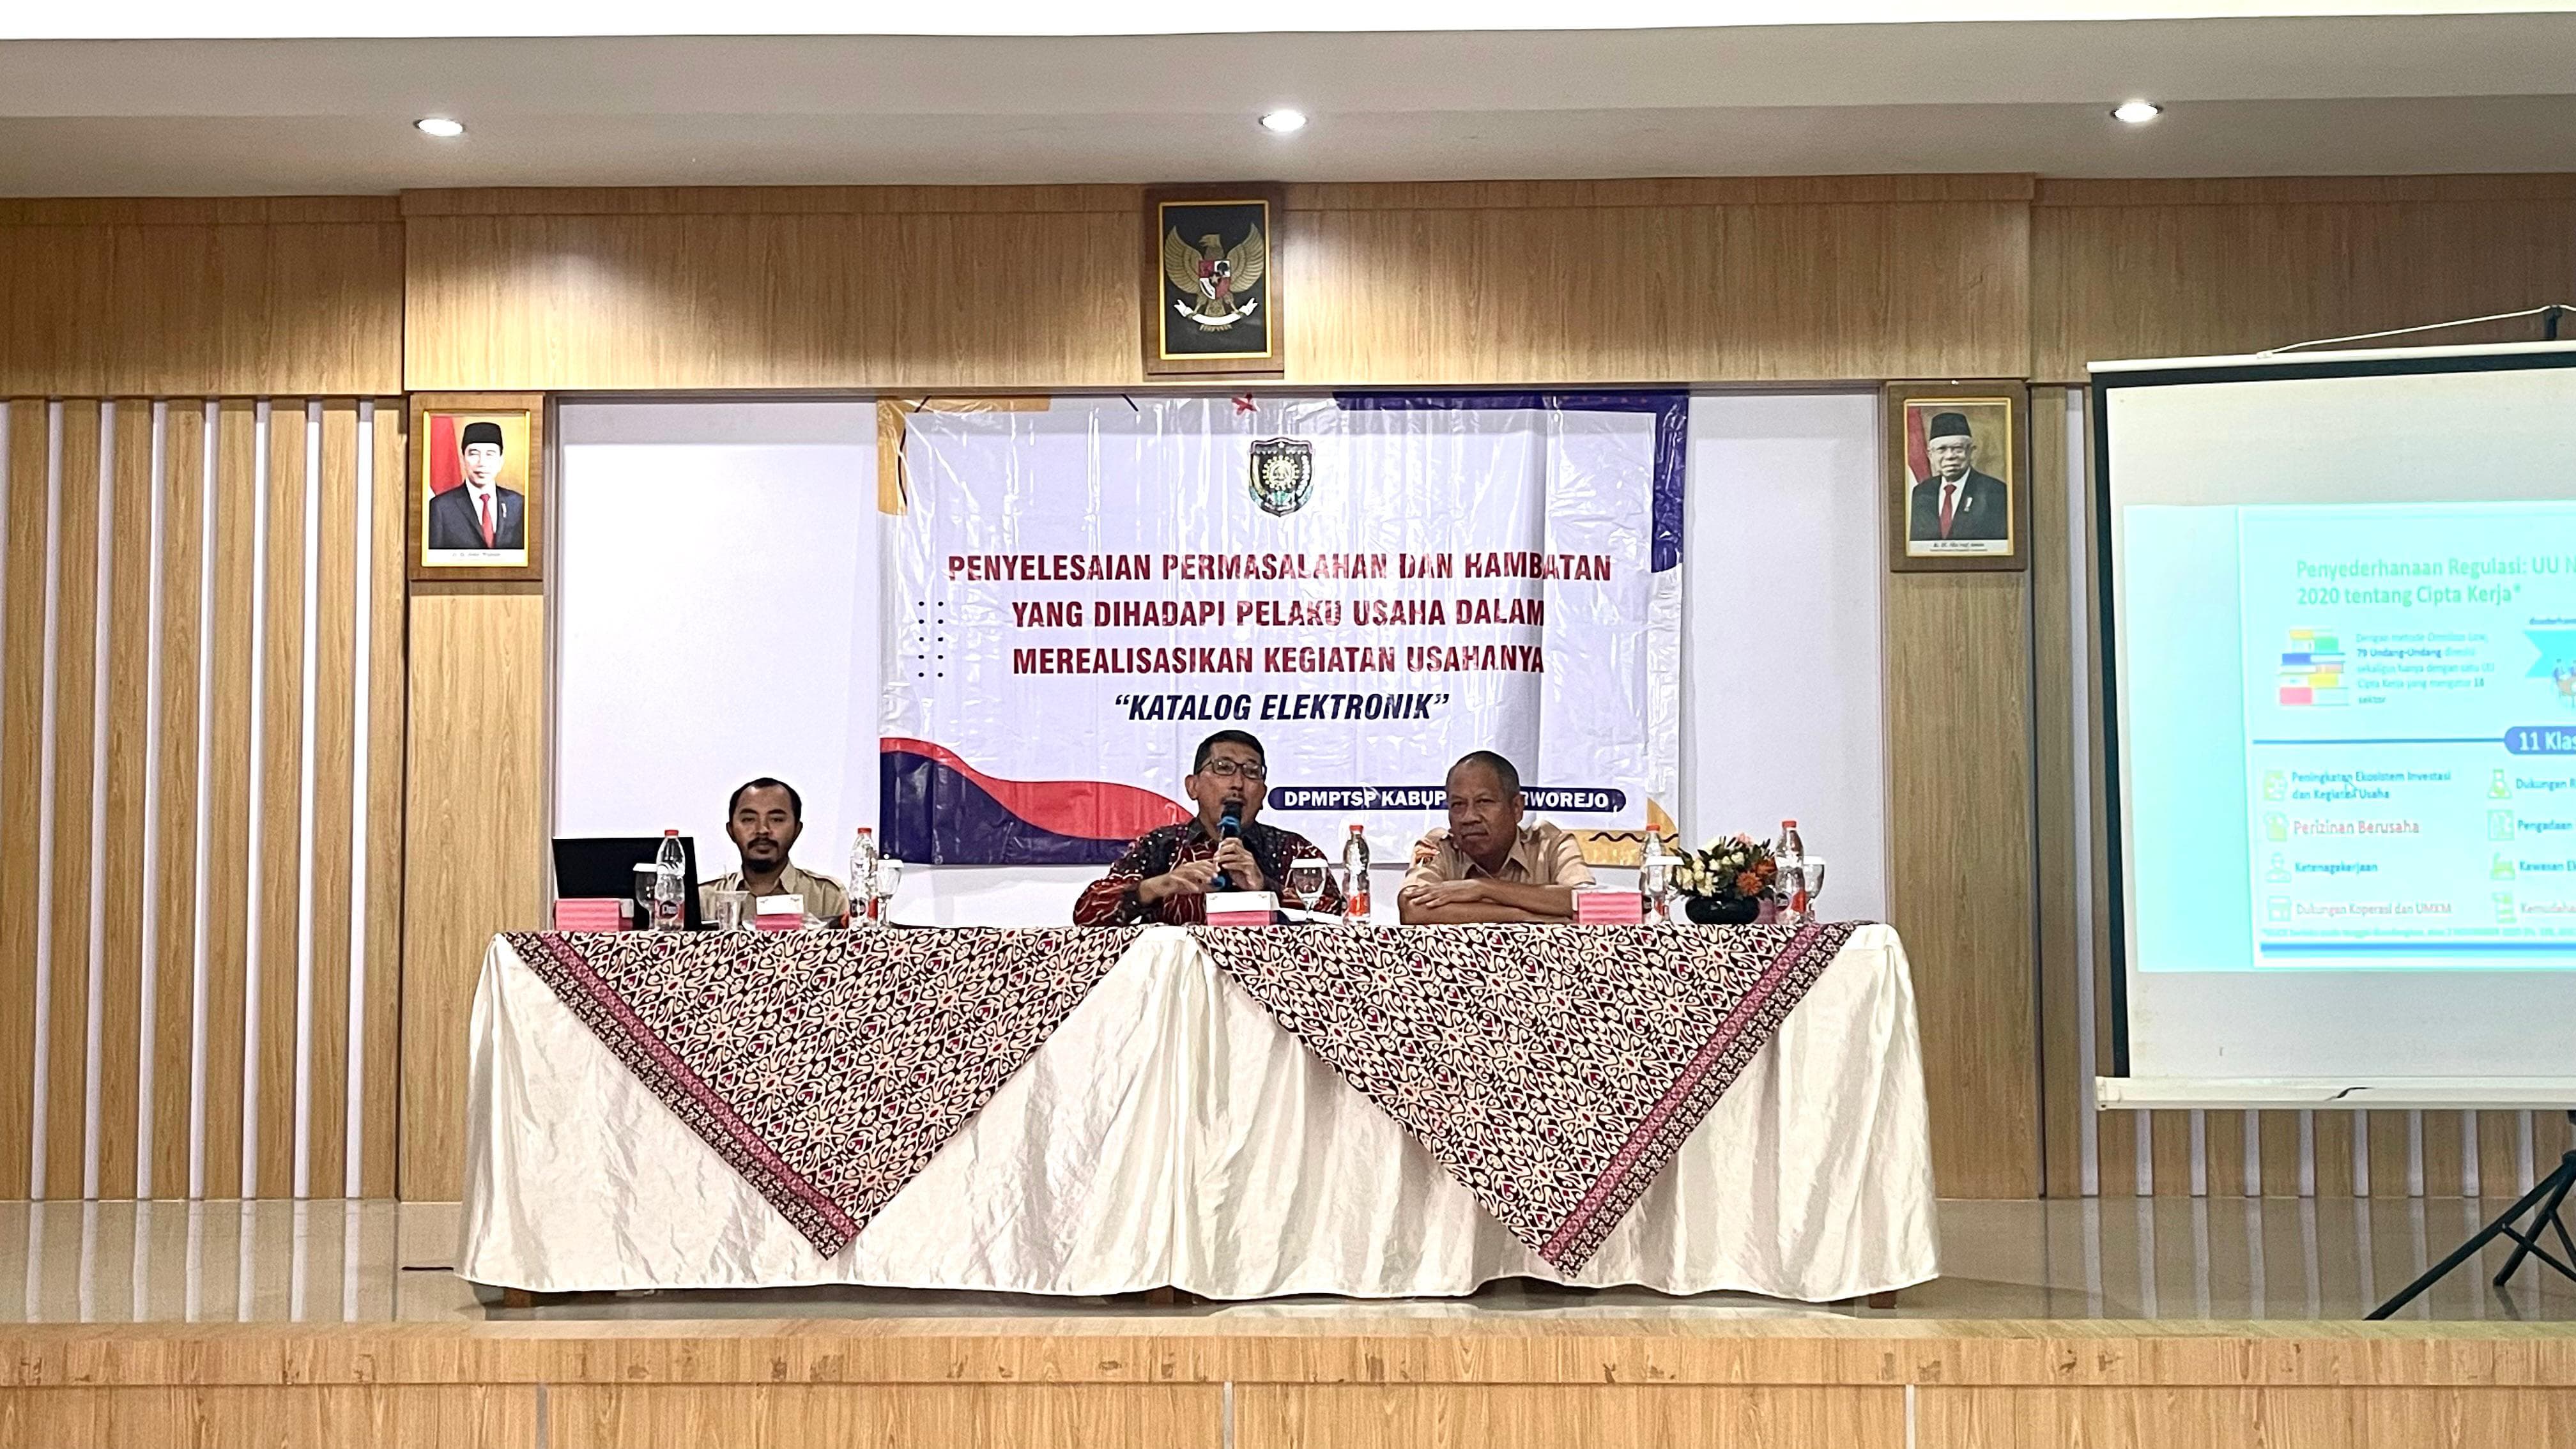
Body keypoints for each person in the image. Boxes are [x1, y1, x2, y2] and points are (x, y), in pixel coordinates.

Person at [1073, 730, 1344, 925]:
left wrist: (1265, 889)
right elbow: (1087, 913)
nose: (1238, 783)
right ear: (1193, 787)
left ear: (1263, 794)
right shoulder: (1162, 846)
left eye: (1251, 772)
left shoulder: (1291, 849)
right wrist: (1158, 886)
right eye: (1223, 768)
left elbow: (1334, 917)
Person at [1397, 751, 1595, 924]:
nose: (1469, 817)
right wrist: (1520, 916)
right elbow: (1413, 908)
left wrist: (1483, 888)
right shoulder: (1439, 848)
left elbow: (1586, 902)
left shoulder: (1550, 844)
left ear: (1516, 807)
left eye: (1484, 802)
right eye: (1458, 805)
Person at [699, 777, 849, 923]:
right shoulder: (703, 900)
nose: (762, 830)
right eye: (749, 819)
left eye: (776, 819)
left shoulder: (827, 897)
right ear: (731, 830)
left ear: (797, 830)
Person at [1906, 410, 2009, 544]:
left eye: (1958, 448)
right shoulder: (1921, 492)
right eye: (1942, 449)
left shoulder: (1995, 492)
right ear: (1931, 455)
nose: (1950, 456)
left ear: (1971, 452)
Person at [427, 419, 528, 551]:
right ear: (463, 459)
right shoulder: (441, 507)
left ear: (500, 461)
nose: (482, 463)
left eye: (490, 454)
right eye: (474, 454)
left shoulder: (518, 504)